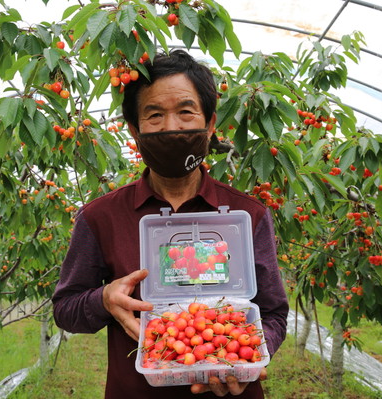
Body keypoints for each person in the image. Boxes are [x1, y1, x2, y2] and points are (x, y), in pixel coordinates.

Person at [52, 49, 289, 398]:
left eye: (186, 112)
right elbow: (65, 309)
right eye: (154, 115)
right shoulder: (100, 217)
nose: (171, 126)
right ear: (134, 129)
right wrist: (103, 299)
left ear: (209, 125)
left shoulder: (248, 215)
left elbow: (273, 314)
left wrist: (246, 352)